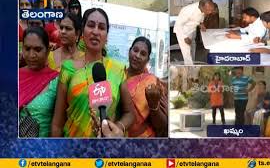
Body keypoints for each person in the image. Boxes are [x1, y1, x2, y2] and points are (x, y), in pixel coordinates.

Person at [51, 8, 135, 137]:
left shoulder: (117, 70)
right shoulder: (68, 69)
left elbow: (129, 113)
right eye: (90, 25)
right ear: (82, 32)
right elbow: (57, 123)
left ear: (106, 36)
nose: (95, 31)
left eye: (101, 28)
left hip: (106, 148)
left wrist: (118, 128)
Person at [19, 27, 59, 137]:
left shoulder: (56, 80)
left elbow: (58, 124)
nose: (32, 55)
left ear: (47, 51)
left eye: (37, 49)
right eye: (27, 49)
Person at [126, 37, 168, 137]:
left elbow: (162, 123)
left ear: (148, 59)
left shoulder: (152, 83)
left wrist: (153, 105)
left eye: (143, 54)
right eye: (135, 50)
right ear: (129, 51)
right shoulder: (118, 76)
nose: (137, 56)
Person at [173, 0, 217, 65]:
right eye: (209, 10)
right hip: (184, 32)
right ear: (202, 7)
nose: (210, 12)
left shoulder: (203, 9)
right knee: (187, 54)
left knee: (193, 48)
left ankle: (192, 62)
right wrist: (185, 37)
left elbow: (199, 18)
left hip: (192, 30)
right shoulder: (187, 11)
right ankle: (189, 66)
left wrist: (201, 24)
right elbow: (178, 25)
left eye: (211, 10)